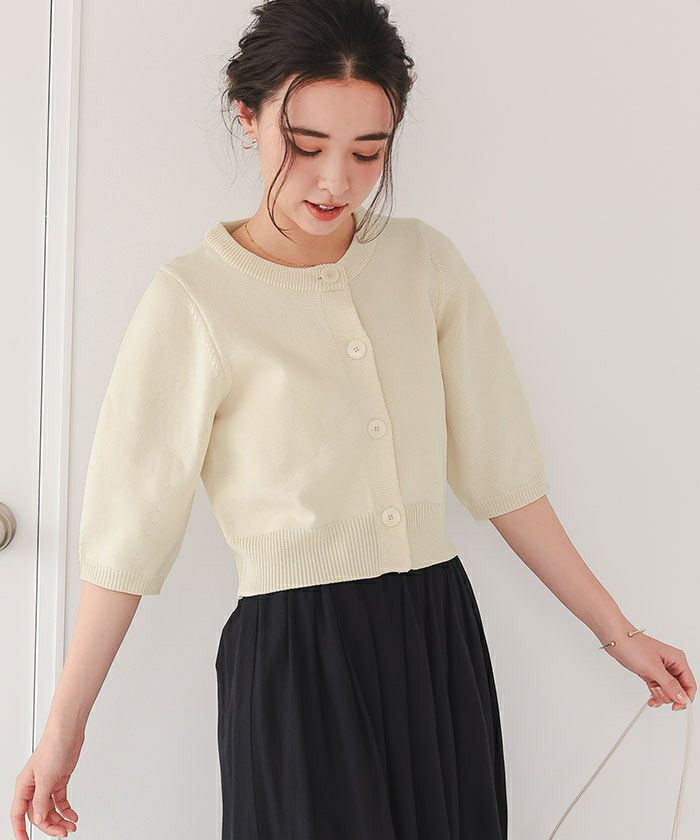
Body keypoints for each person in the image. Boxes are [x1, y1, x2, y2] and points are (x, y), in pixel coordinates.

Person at [11, 0, 696, 837]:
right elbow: (128, 537)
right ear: (248, 116)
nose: (336, 180)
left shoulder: (424, 264)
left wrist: (618, 633)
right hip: (295, 660)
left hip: (436, 640)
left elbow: (505, 477)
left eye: (368, 151)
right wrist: (63, 732)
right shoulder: (194, 299)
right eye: (306, 147)